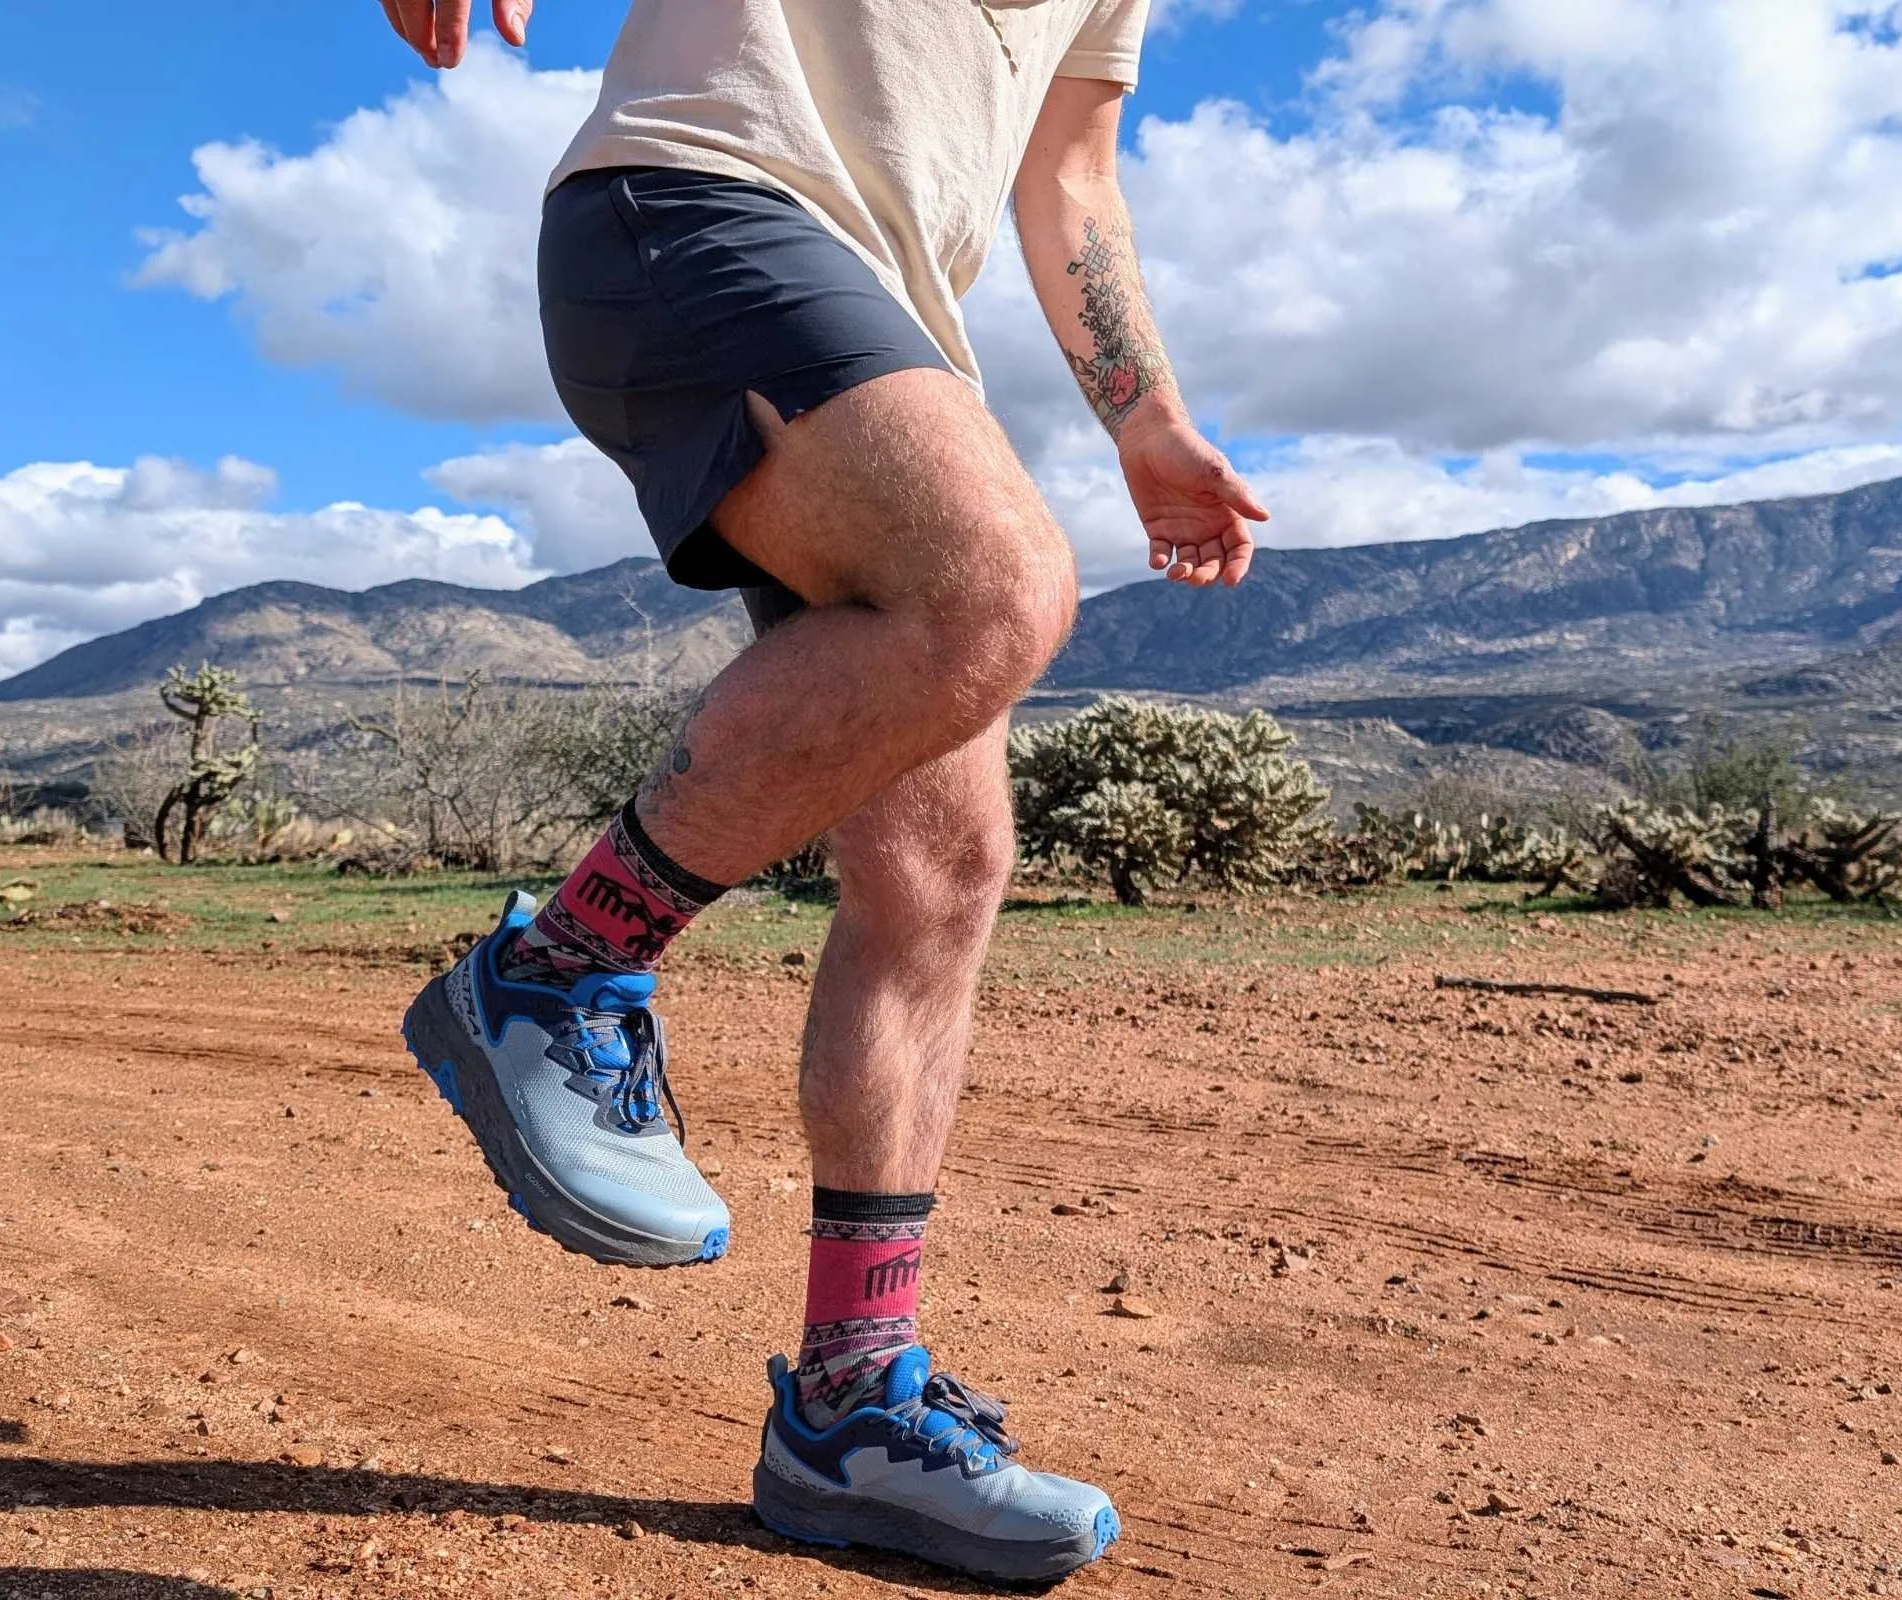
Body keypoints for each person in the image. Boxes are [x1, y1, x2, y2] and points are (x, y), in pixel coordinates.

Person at [383, 0, 1265, 1581]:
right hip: (696, 199)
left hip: (886, 323)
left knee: (941, 869)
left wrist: (1146, 420)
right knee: (996, 587)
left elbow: (1069, 182)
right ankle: (553, 973)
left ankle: (850, 1414)